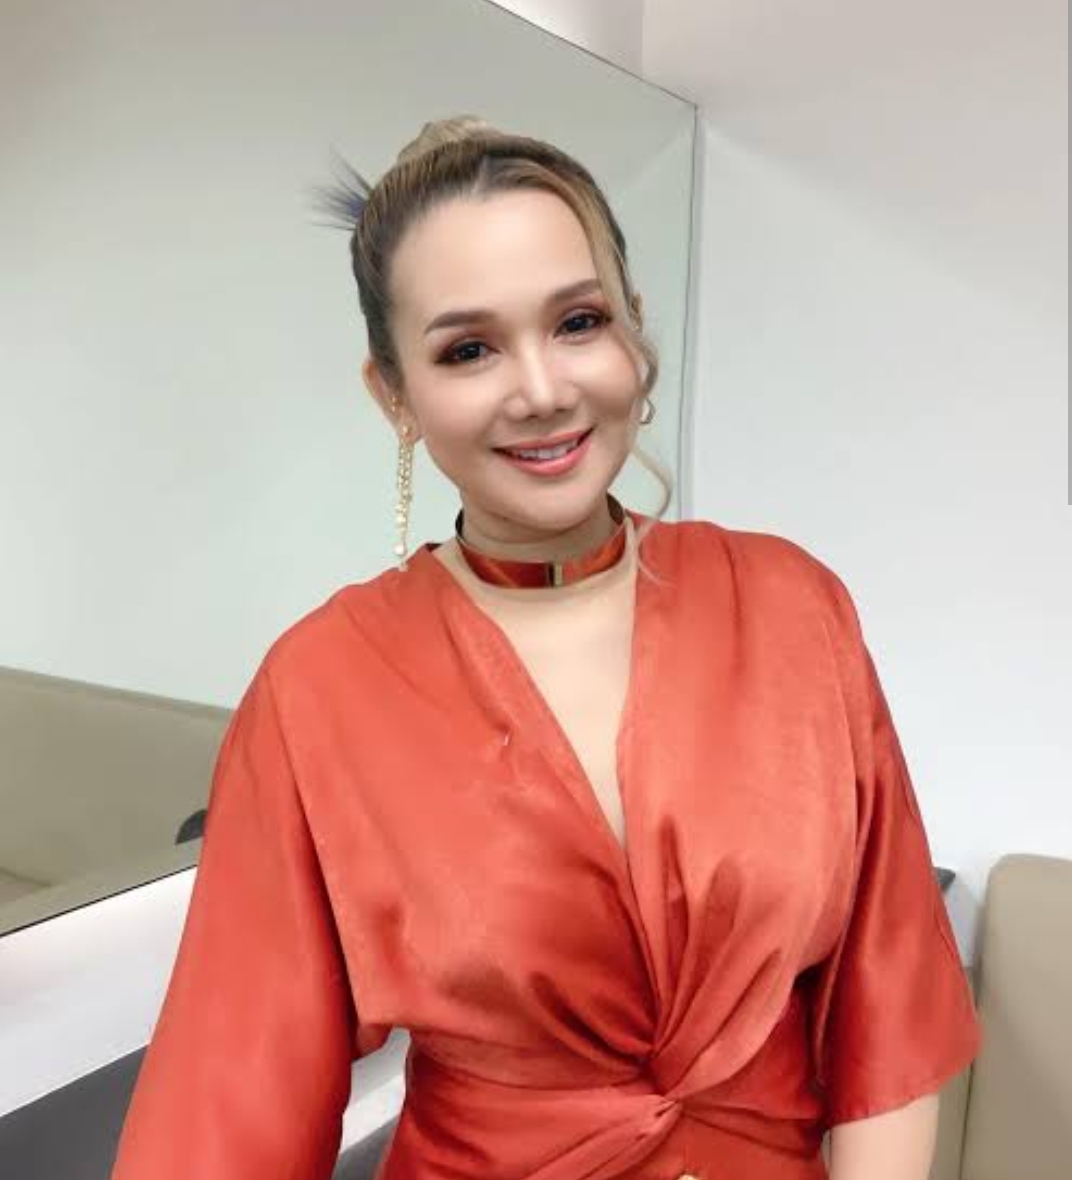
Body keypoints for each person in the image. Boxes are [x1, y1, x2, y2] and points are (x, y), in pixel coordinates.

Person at [109, 116, 982, 1180]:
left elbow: (885, 1009)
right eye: (468, 349)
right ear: (394, 394)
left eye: (577, 322)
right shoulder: (319, 689)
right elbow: (226, 1108)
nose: (541, 390)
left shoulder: (792, 609)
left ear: (632, 329)